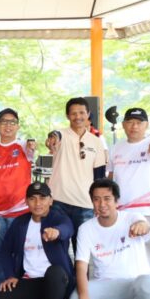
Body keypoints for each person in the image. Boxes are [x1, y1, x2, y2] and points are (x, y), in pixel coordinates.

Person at [70, 178, 150, 299]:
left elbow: (144, 225)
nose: (102, 204)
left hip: (135, 287)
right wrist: (84, 297)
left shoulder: (131, 218)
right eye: (96, 199)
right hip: (107, 286)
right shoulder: (86, 228)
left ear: (116, 201)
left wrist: (142, 226)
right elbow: (81, 266)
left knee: (149, 283)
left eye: (107, 198)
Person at [0, 182, 74, 299]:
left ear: (51, 200)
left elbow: (67, 228)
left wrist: (56, 232)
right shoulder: (20, 223)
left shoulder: (58, 218)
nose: (37, 203)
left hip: (58, 282)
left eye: (42, 198)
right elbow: (5, 251)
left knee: (55, 272)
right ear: (26, 201)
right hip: (31, 281)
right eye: (32, 198)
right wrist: (11, 276)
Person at [0, 108, 34, 287]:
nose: (8, 126)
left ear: (18, 126)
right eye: (4, 122)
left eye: (12, 122)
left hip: (21, 212)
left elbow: (32, 150)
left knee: (22, 251)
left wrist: (32, 145)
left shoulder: (23, 146)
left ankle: (22, 289)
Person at [46, 97, 107, 252]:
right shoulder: (61, 135)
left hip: (85, 204)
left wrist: (97, 202)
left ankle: (80, 270)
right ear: (67, 116)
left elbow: (99, 176)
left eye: (81, 112)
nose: (78, 117)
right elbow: (54, 135)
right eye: (73, 113)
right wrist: (52, 138)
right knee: (57, 249)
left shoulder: (96, 142)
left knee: (83, 250)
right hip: (58, 202)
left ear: (88, 114)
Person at [107, 107, 150, 271]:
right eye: (130, 122)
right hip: (123, 211)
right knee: (125, 254)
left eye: (139, 122)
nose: (134, 126)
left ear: (146, 125)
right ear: (123, 124)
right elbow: (110, 178)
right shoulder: (116, 148)